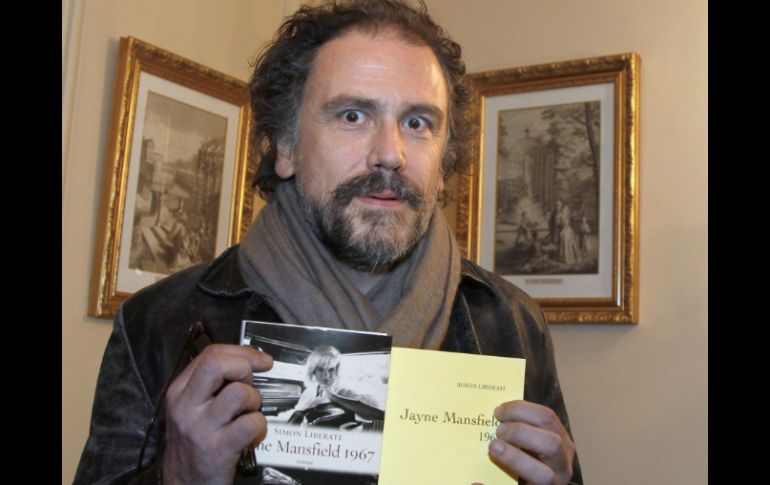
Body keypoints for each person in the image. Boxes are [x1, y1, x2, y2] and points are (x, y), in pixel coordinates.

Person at [74, 1, 582, 484]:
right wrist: (179, 477)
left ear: (445, 161)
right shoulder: (161, 323)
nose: (390, 154)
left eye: (417, 123)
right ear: (286, 146)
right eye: (352, 116)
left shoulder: (510, 323)